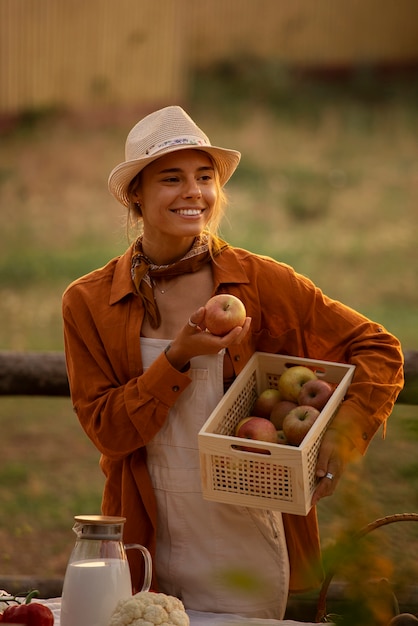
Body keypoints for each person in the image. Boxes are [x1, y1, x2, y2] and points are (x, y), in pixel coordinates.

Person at [62, 105, 404, 620]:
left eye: (205, 177)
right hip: (145, 534)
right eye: (171, 179)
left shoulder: (259, 282)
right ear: (136, 195)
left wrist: (343, 433)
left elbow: (379, 347)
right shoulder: (88, 301)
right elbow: (108, 431)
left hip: (246, 530)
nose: (193, 192)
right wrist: (177, 357)